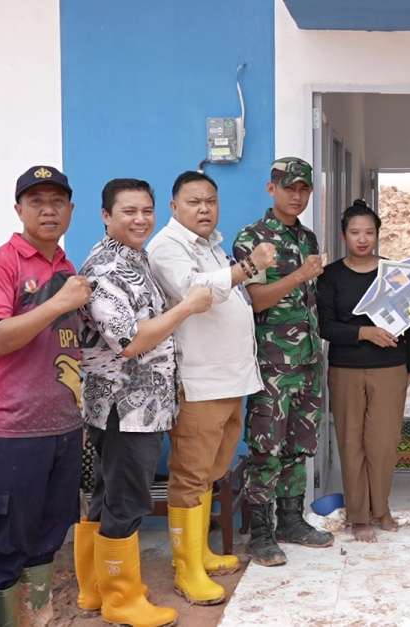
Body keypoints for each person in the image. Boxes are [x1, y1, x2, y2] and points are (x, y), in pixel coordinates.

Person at [75, 178, 212, 627]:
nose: (140, 219)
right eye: (128, 211)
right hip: (124, 408)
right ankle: (122, 599)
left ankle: (96, 589)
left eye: (146, 211)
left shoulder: (137, 258)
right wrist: (187, 307)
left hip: (142, 405)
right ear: (106, 215)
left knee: (108, 495)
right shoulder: (105, 269)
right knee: (128, 500)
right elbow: (130, 341)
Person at [0, 165, 92, 626]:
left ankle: (36, 619)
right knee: (5, 547)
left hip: (63, 428)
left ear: (71, 210)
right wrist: (59, 302)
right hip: (11, 431)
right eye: (36, 201)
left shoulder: (66, 268)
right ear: (18, 209)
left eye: (57, 202)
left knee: (47, 541)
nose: (48, 210)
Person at [147, 171, 276, 604]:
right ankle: (186, 570)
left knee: (211, 471)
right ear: (174, 207)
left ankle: (200, 552)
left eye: (210, 201)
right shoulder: (167, 247)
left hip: (229, 378)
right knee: (190, 474)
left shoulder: (210, 245)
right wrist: (248, 267)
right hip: (200, 381)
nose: (204, 209)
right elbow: (195, 290)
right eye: (194, 202)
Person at [232, 157, 333, 567]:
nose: (297, 196)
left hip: (307, 360)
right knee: (266, 447)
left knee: (298, 445)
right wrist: (299, 276)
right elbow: (255, 300)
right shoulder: (253, 239)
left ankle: (291, 521)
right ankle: (261, 533)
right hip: (272, 362)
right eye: (289, 187)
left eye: (303, 189)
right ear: (271, 188)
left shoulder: (307, 237)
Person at [316, 199, 410, 543]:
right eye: (355, 232)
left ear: (377, 235)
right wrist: (364, 332)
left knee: (384, 444)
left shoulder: (394, 273)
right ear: (344, 235)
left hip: (390, 368)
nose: (362, 239)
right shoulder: (330, 276)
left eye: (369, 233)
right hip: (346, 369)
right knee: (351, 443)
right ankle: (359, 516)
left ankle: (382, 509)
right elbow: (325, 326)